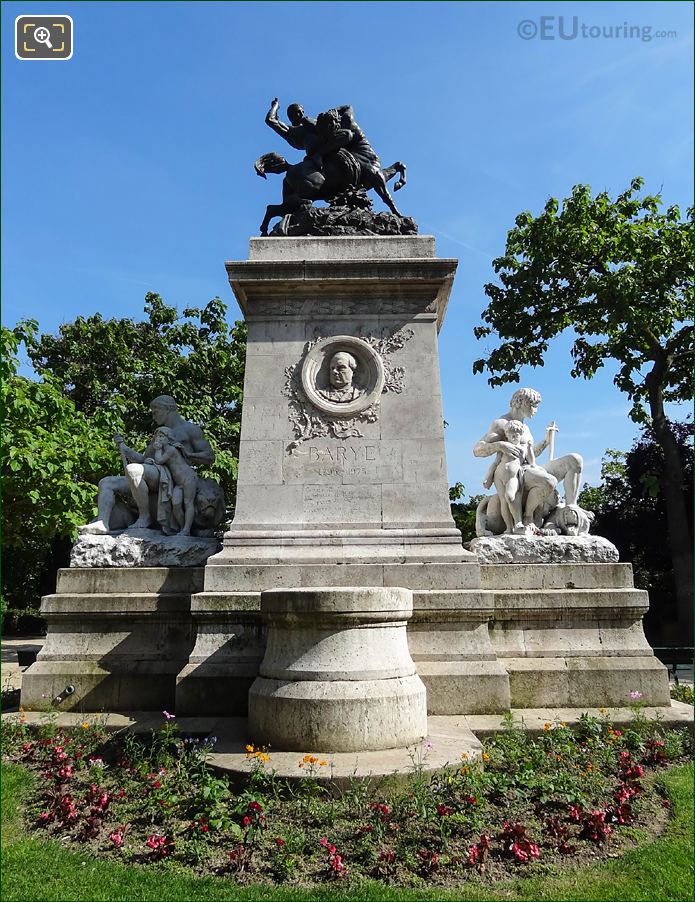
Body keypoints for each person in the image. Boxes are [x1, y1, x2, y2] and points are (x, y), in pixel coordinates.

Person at [79, 395, 214, 535]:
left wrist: (188, 455)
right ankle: (102, 523)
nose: (154, 417)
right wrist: (125, 448)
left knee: (133, 470)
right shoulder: (160, 433)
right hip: (153, 472)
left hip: (172, 476)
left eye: (155, 412)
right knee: (106, 482)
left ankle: (145, 517)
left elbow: (209, 457)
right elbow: (143, 460)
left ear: (167, 409)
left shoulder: (190, 430)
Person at [473, 387, 583, 535]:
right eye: (533, 405)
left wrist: (545, 441)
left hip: (530, 467)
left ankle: (571, 509)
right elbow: (478, 450)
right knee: (549, 481)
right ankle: (528, 517)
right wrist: (500, 445)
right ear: (520, 403)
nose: (535, 410)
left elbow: (529, 454)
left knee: (575, 460)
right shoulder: (501, 423)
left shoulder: (526, 428)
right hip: (516, 471)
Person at [482, 419, 531, 534]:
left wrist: (531, 447)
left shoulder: (523, 449)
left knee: (510, 497)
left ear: (521, 435)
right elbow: (495, 463)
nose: (513, 437)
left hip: (512, 476)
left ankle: (518, 523)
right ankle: (509, 528)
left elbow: (531, 462)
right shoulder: (504, 448)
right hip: (498, 475)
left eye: (516, 434)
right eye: (510, 435)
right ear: (507, 436)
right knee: (503, 501)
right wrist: (487, 477)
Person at [147, 426, 198, 536]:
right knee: (176, 504)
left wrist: (158, 449)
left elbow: (159, 461)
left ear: (168, 438)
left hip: (188, 477)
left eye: (161, 436)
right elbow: (158, 462)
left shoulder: (170, 449)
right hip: (179, 483)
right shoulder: (168, 449)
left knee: (188, 503)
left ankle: (186, 530)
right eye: (157, 436)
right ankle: (182, 528)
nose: (158, 439)